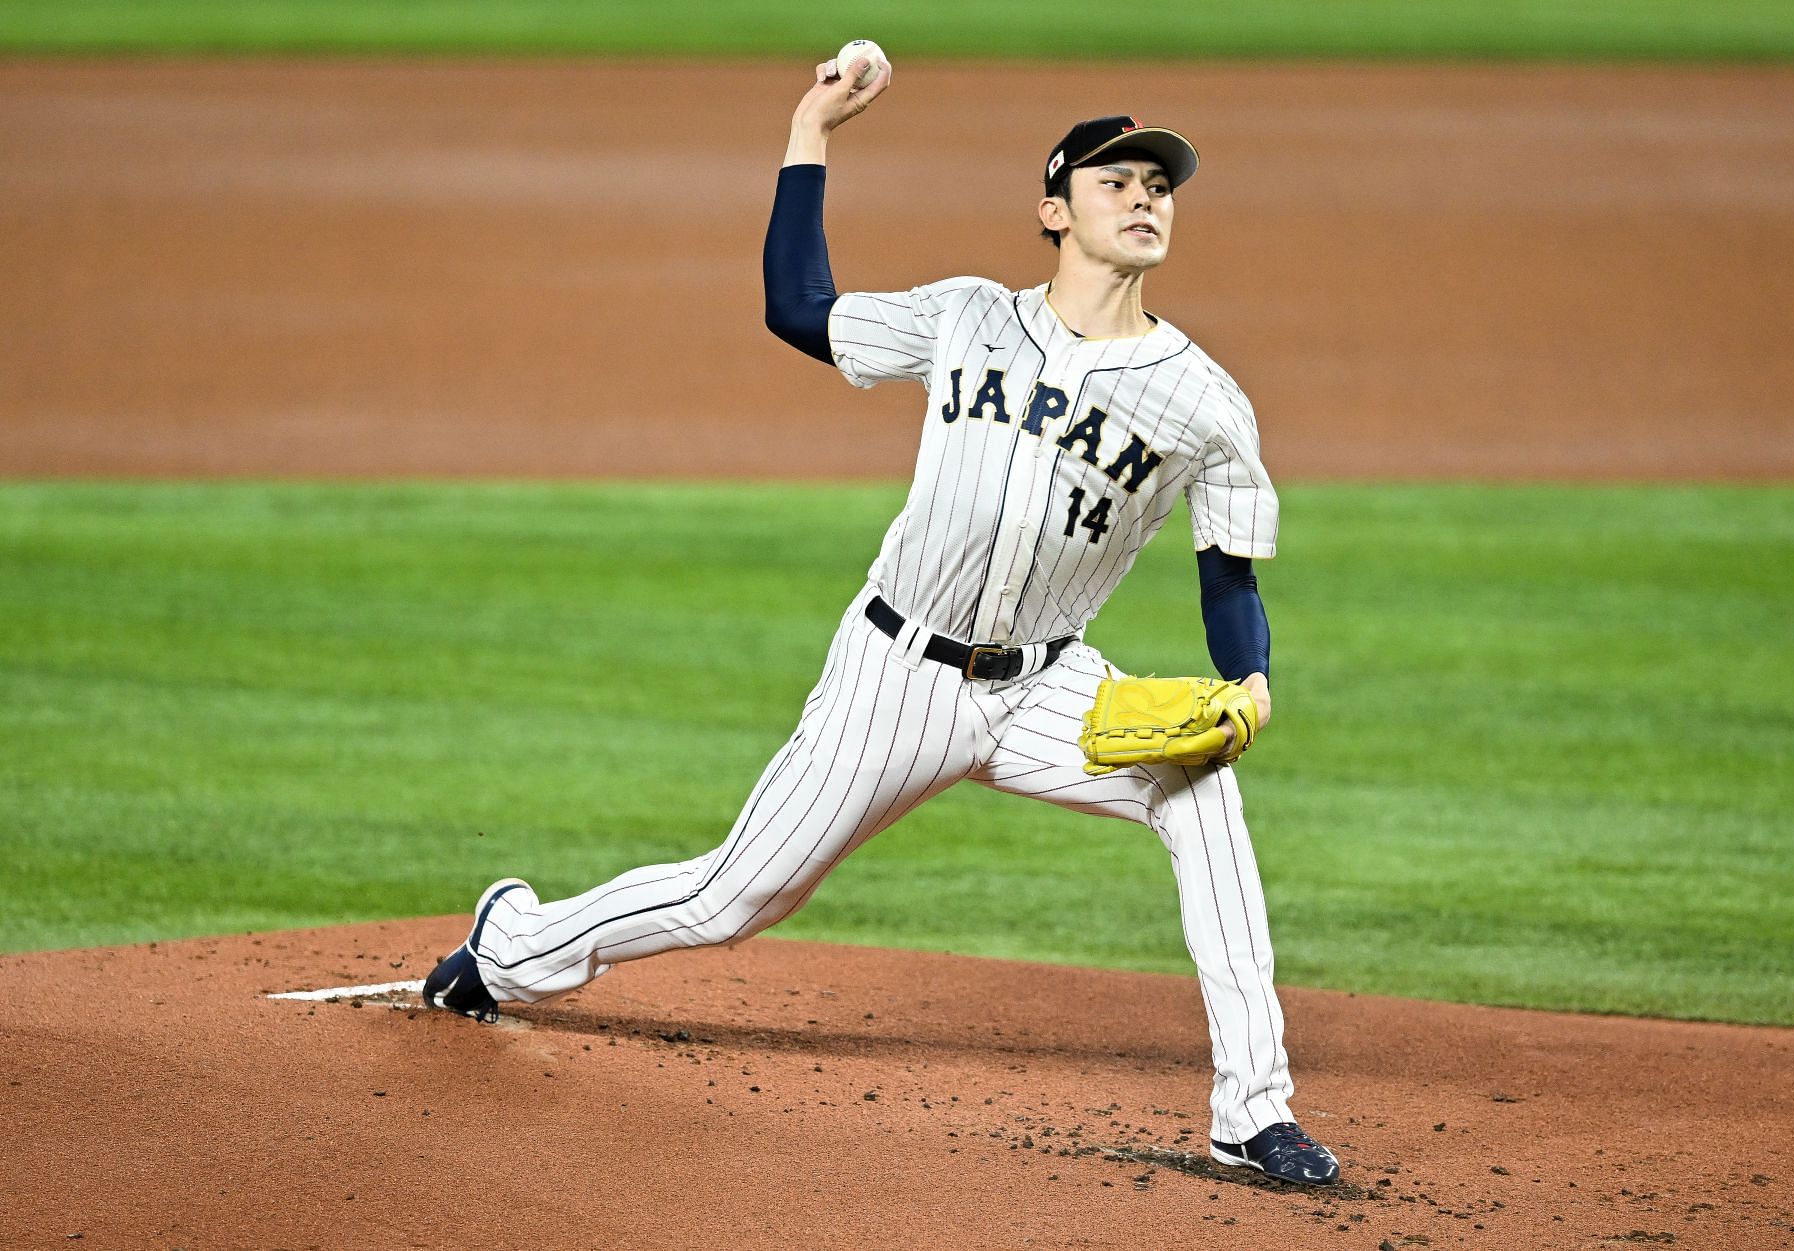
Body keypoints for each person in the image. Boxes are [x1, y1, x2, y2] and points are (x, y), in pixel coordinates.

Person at [423, 53, 1340, 1187]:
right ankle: (510, 946)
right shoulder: (966, 318)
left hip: (1048, 686)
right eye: (1118, 181)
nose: (1147, 196)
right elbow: (796, 308)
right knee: (734, 897)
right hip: (896, 673)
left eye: (1161, 184)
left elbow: (1228, 570)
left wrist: (1246, 679)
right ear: (1054, 211)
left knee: (1205, 790)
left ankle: (1252, 1112)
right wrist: (811, 129)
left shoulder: (1204, 399)